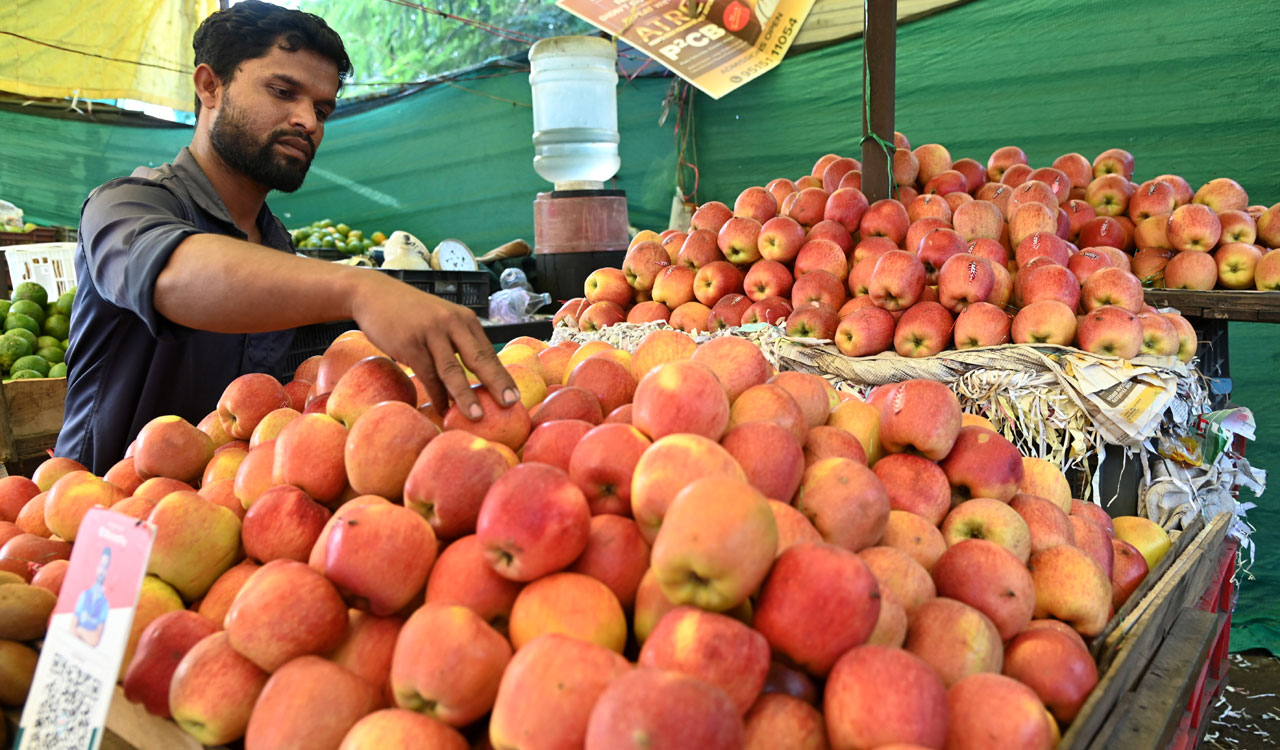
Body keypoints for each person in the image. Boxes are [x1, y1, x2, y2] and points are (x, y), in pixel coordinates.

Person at [55, 1, 515, 473]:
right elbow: (173, 275)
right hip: (96, 520)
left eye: (321, 108)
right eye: (282, 91)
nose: (308, 122)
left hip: (232, 511)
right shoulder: (126, 204)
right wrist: (361, 288)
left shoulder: (277, 243)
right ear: (210, 86)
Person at [72, 547, 111, 648]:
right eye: (101, 565)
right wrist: (87, 634)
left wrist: (80, 630)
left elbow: (95, 641)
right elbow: (72, 628)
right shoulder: (84, 595)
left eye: (106, 567)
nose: (102, 571)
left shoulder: (105, 604)